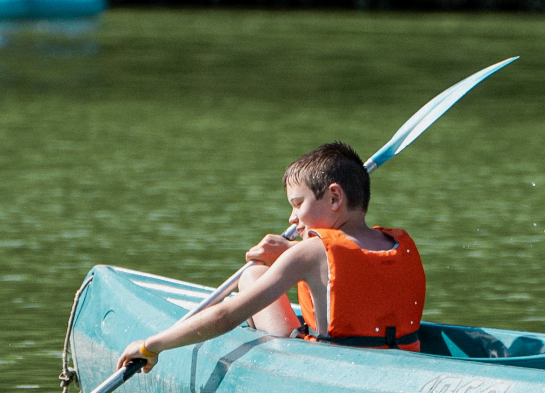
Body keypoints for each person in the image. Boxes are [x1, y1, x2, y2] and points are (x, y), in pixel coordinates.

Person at [118, 142, 428, 372]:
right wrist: (289, 253)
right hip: (399, 363)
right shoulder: (398, 242)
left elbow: (226, 318)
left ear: (334, 197)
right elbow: (352, 267)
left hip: (331, 368)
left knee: (251, 275)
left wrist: (150, 345)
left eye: (297, 203)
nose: (293, 218)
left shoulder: (310, 252)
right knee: (257, 275)